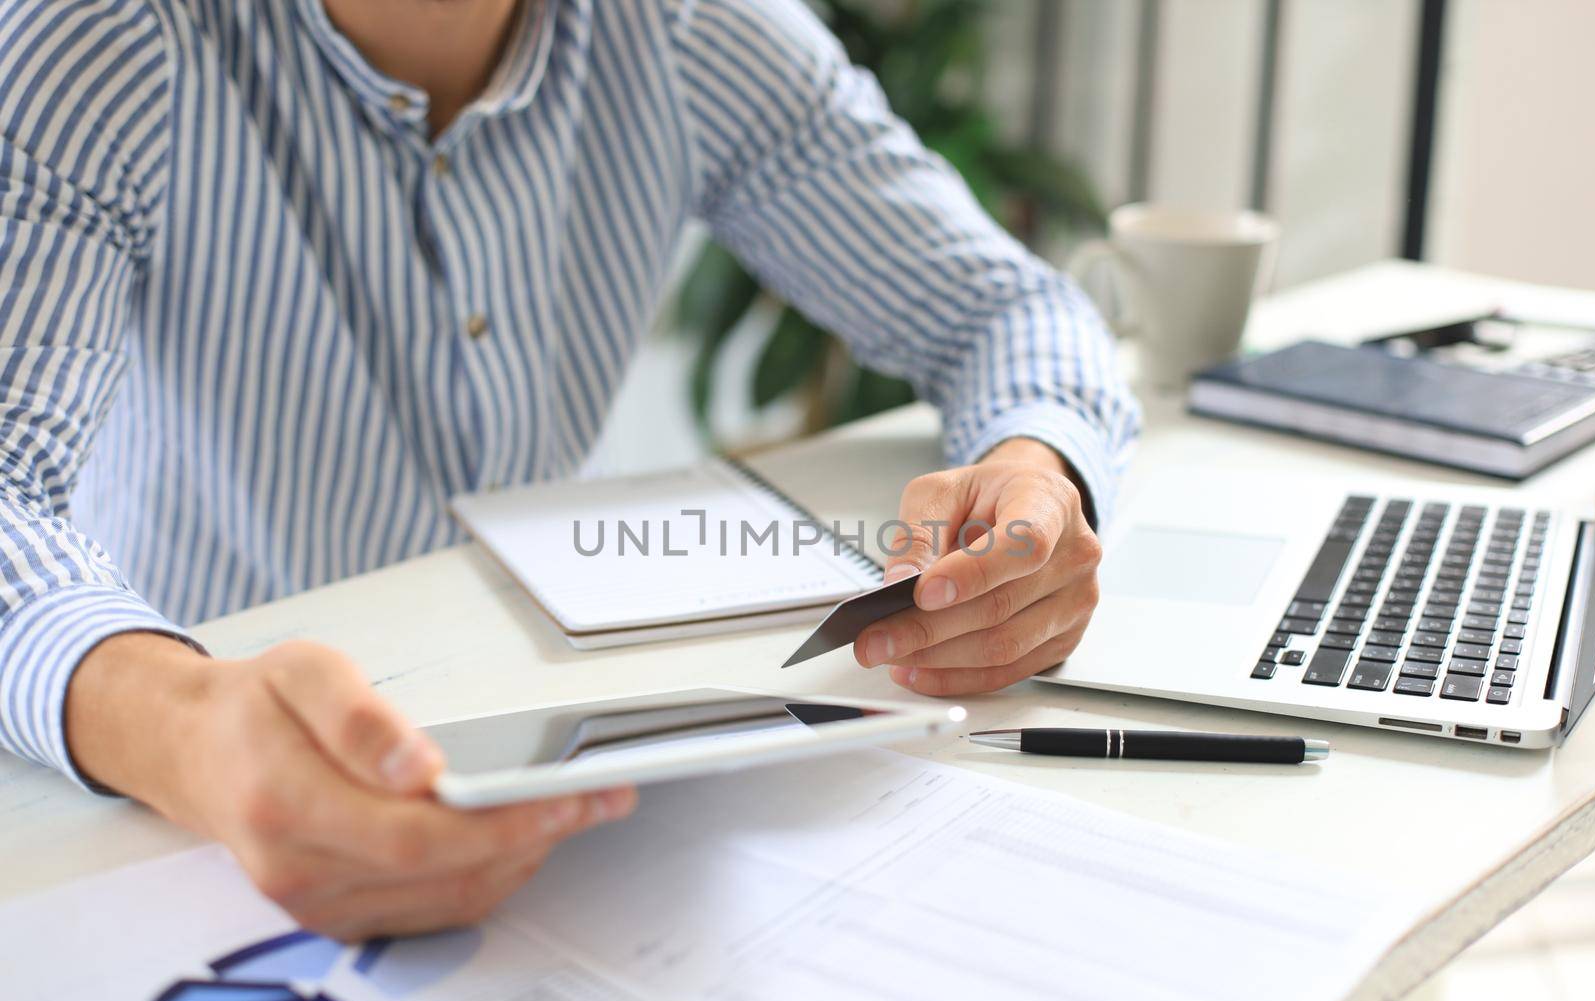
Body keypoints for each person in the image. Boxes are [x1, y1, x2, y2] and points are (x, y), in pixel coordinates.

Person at [0, 0, 1138, 937]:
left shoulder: (695, 31)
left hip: (544, 763)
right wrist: (183, 720)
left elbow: (1003, 308)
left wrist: (1035, 471)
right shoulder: (98, 41)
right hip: (169, 793)